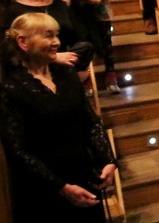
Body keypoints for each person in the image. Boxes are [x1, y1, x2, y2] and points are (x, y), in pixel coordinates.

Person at [0, 13, 117, 222]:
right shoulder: (11, 88)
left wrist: (108, 160)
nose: (57, 42)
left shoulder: (66, 74)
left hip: (83, 178)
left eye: (56, 35)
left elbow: (90, 121)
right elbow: (17, 150)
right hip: (44, 191)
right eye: (48, 36)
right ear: (23, 42)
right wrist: (62, 188)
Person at [79, 0, 119, 94]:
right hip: (87, 17)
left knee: (107, 47)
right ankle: (87, 80)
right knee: (87, 47)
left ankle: (111, 78)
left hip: (104, 16)